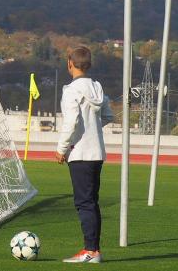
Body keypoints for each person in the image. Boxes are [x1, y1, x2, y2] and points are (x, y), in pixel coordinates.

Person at [55, 45, 114, 264]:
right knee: (91, 202)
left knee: (84, 203)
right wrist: (92, 128)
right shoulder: (97, 88)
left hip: (80, 153)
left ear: (70, 63)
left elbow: (71, 123)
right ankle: (93, 249)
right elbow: (108, 115)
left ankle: (90, 251)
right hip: (96, 152)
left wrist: (61, 149)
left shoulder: (71, 90)